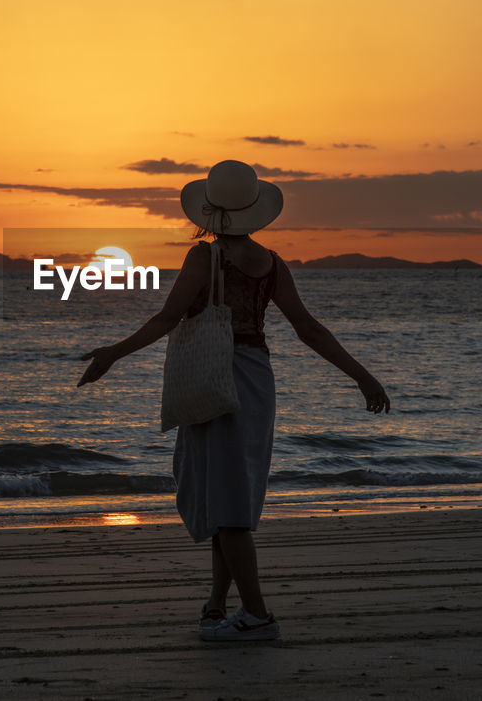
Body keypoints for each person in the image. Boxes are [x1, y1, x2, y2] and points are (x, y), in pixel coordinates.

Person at [77, 159, 390, 642]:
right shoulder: (271, 262)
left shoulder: (203, 259)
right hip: (255, 377)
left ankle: (258, 615)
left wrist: (113, 354)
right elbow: (308, 329)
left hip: (213, 375)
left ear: (208, 211)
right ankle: (218, 606)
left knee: (226, 504)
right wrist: (363, 377)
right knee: (230, 492)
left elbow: (166, 319)